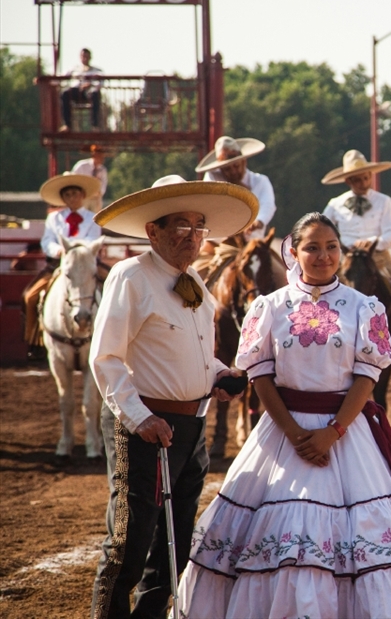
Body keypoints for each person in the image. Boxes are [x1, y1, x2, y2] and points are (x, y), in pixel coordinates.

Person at [175, 212, 391, 618]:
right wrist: (294, 434)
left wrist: (333, 431)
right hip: (281, 436)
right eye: (312, 247)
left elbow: (367, 377)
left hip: (347, 436)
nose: (323, 256)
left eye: (331, 247)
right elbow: (262, 377)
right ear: (293, 252)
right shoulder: (268, 307)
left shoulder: (365, 307)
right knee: (283, 544)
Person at [88, 175, 256, 618]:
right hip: (144, 428)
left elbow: (196, 353)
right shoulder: (131, 276)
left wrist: (224, 374)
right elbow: (105, 358)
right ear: (153, 231)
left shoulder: (196, 282)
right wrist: (139, 418)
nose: (192, 235)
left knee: (173, 548)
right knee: (129, 543)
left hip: (189, 428)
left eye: (199, 226)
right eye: (180, 224)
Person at [321, 149, 391, 372]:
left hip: (378, 257)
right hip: (344, 258)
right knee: (316, 293)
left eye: (366, 177)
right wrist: (341, 245)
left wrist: (372, 242)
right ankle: (314, 341)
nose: (363, 182)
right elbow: (323, 231)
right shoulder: (335, 204)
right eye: (357, 179)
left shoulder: (384, 201)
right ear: (348, 180)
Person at [21, 172, 102, 360]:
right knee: (30, 296)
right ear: (63, 198)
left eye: (75, 193)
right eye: (68, 194)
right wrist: (58, 250)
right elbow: (47, 241)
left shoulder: (93, 218)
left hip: (87, 263)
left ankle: (111, 338)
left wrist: (76, 249)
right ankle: (35, 340)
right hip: (59, 264)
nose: (72, 198)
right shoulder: (54, 219)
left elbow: (93, 240)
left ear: (83, 195)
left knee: (112, 291)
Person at [196, 135, 276, 240]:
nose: (233, 171)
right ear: (220, 169)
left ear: (244, 161)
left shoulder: (261, 181)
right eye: (227, 169)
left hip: (252, 240)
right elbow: (211, 203)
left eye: (236, 166)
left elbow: (268, 205)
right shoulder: (212, 177)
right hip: (220, 240)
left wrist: (259, 221)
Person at [60, 48, 104, 131]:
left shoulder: (96, 71)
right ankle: (67, 125)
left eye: (86, 56)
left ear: (90, 57)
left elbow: (101, 82)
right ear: (80, 57)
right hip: (77, 92)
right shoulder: (74, 69)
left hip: (89, 92)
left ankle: (95, 126)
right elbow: (61, 77)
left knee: (96, 95)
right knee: (65, 94)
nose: (85, 58)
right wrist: (44, 79)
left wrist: (90, 84)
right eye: (83, 56)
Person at [71, 144, 109, 212]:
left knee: (95, 217)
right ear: (94, 155)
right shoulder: (82, 166)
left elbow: (104, 183)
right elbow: (73, 179)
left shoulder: (103, 170)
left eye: (102, 157)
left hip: (96, 198)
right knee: (82, 215)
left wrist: (100, 193)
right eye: (99, 156)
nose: (101, 159)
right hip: (83, 197)